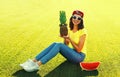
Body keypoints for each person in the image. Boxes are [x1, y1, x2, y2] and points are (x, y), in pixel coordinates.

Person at [20, 10, 87, 72]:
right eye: (74, 17)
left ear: (81, 20)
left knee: (59, 45)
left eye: (79, 18)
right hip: (72, 54)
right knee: (55, 43)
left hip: (79, 57)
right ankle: (33, 61)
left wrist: (70, 39)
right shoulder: (70, 29)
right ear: (71, 18)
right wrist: (65, 38)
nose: (76, 19)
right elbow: (66, 45)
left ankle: (37, 65)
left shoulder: (82, 31)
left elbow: (79, 49)